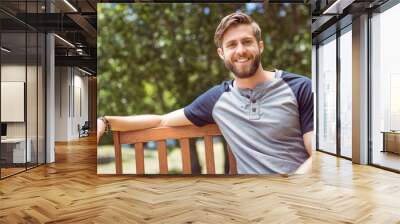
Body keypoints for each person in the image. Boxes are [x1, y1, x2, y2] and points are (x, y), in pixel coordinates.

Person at [98, 12, 313, 175]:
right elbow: (162, 119)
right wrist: (105, 122)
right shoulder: (218, 98)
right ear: (222, 53)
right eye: (231, 45)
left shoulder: (299, 87)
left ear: (260, 46)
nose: (240, 50)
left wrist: (292, 189)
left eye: (247, 42)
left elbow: (319, 154)